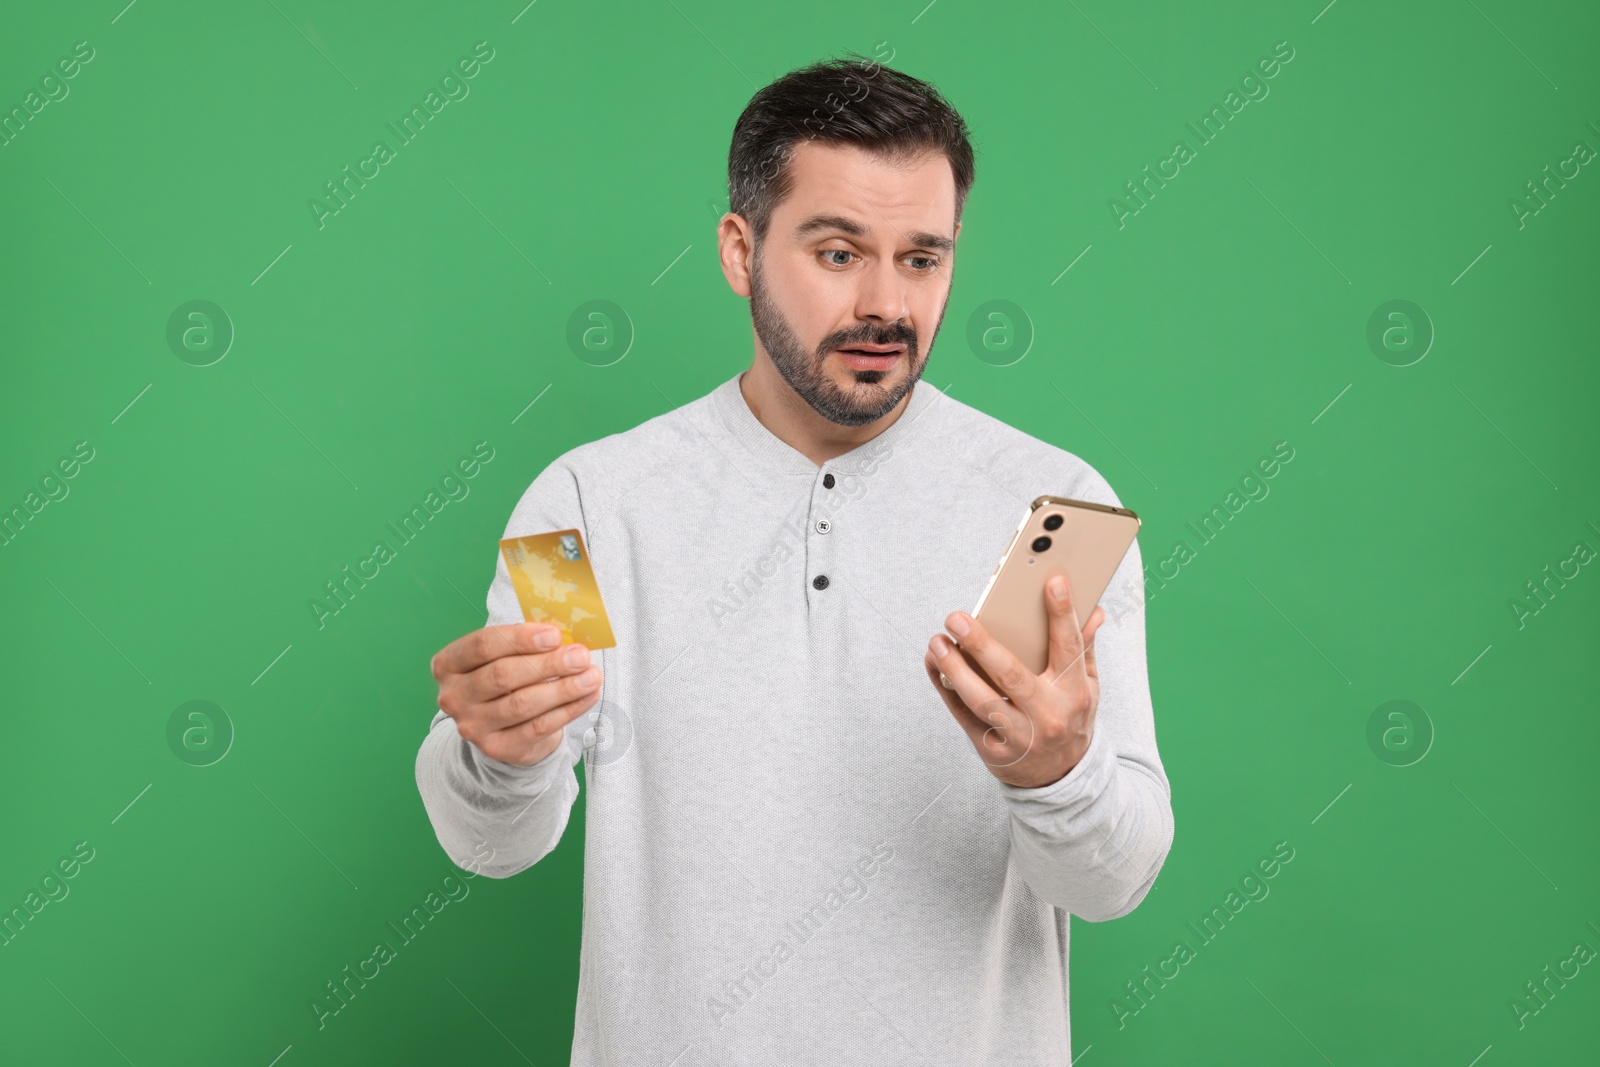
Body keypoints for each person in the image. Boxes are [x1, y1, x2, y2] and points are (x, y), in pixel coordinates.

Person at [415, 53, 1173, 1066]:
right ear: (740, 249)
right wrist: (497, 757)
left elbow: (1112, 881)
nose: (885, 305)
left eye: (921, 257)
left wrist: (1058, 777)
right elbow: (492, 845)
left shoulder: (1058, 511)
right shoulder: (585, 505)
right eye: (836, 252)